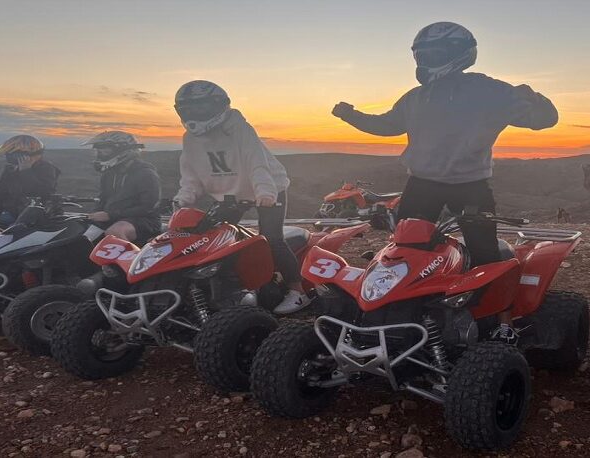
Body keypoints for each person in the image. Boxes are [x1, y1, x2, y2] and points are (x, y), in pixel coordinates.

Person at [331, 22, 558, 342]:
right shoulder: (417, 97)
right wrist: (350, 115)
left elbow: (543, 121)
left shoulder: (488, 90)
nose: (424, 61)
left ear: (458, 54)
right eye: (421, 55)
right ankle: (409, 314)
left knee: (485, 255)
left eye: (432, 54)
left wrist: (536, 99)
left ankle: (502, 323)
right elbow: (386, 125)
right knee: (404, 250)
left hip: (469, 186)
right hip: (422, 184)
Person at [172, 80, 308, 314]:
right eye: (189, 108)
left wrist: (265, 192)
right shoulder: (190, 138)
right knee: (217, 241)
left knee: (272, 239)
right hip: (230, 194)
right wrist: (185, 196)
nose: (195, 114)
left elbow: (256, 162)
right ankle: (238, 287)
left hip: (268, 188)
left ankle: (298, 292)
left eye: (201, 108)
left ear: (218, 106)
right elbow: (191, 173)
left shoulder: (239, 129)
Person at [82, 131, 162, 242]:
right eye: (98, 150)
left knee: (115, 233)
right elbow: (103, 199)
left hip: (144, 220)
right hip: (115, 217)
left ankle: (130, 259)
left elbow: (148, 206)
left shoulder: (145, 173)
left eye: (105, 150)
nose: (100, 154)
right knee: (81, 235)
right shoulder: (109, 174)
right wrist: (93, 215)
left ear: (123, 150)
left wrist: (110, 215)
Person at [0, 135, 60, 225]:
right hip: (11, 213)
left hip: (35, 217)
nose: (8, 157)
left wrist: (26, 171)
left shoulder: (46, 168)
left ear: (24, 155)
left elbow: (42, 192)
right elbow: (2, 192)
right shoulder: (11, 169)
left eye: (11, 154)